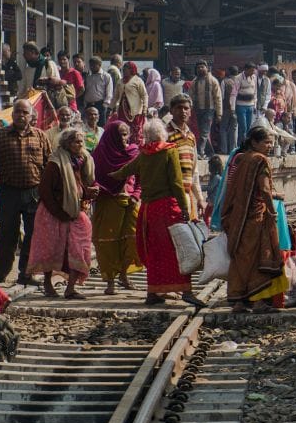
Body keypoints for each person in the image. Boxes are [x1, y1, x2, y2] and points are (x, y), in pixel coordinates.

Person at [110, 119, 206, 307]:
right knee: (178, 248)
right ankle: (186, 290)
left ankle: (153, 292)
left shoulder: (143, 154)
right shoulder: (170, 151)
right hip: (168, 209)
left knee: (153, 251)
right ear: (163, 134)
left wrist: (105, 174)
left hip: (148, 210)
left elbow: (123, 172)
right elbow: (177, 184)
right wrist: (185, 209)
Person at [220, 126, 287, 314]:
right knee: (259, 257)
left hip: (237, 218)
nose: (270, 146)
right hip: (256, 218)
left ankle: (239, 300)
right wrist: (272, 213)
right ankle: (258, 302)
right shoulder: (260, 160)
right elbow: (264, 189)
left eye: (271, 142)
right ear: (254, 142)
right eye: (266, 142)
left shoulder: (241, 158)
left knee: (240, 258)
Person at [29, 128, 96, 299]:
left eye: (81, 141)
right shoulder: (55, 163)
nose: (79, 144)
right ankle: (47, 284)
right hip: (53, 212)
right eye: (75, 141)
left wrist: (89, 193)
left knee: (79, 247)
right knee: (50, 248)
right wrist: (59, 212)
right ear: (66, 144)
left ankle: (71, 288)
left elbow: (78, 188)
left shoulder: (82, 160)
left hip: (74, 212)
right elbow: (45, 191)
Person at [0, 99, 50, 285]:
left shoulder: (41, 136)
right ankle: (1, 273)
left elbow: (49, 165)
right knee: (7, 234)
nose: (20, 115)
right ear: (13, 114)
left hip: (33, 193)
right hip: (8, 193)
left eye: (25, 112)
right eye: (17, 112)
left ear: (31, 115)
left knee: (33, 235)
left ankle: (26, 274)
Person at [91, 120, 141, 295]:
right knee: (108, 242)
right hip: (108, 201)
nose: (124, 138)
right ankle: (110, 281)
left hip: (131, 202)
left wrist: (136, 194)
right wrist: (100, 189)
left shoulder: (134, 152)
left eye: (126, 134)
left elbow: (140, 177)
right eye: (120, 134)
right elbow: (93, 178)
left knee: (134, 238)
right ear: (111, 135)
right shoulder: (100, 154)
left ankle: (124, 274)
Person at [165, 94, 204, 220]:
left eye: (186, 108)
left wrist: (200, 199)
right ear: (171, 110)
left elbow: (194, 171)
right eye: (179, 108)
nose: (183, 111)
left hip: (186, 196)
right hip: (169, 196)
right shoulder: (165, 134)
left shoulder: (191, 137)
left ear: (190, 112)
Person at [189, 62, 222, 158]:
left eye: (202, 67)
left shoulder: (213, 81)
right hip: (198, 109)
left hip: (209, 109)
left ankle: (200, 152)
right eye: (198, 67)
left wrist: (219, 114)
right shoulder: (194, 82)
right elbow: (190, 97)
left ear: (207, 68)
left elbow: (218, 98)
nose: (200, 69)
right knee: (203, 132)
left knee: (204, 132)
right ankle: (210, 153)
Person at [113, 62, 148, 144]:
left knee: (135, 132)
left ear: (132, 70)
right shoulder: (120, 82)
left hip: (135, 112)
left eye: (126, 68)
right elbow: (116, 96)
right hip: (122, 111)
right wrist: (111, 108)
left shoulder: (138, 81)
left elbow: (144, 95)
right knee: (122, 129)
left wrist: (145, 109)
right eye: (123, 68)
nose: (124, 70)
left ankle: (135, 149)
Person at [233, 63, 259, 140]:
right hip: (241, 106)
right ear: (246, 70)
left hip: (251, 106)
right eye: (251, 70)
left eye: (254, 70)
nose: (253, 72)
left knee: (248, 127)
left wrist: (255, 105)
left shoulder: (254, 77)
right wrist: (232, 108)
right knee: (243, 127)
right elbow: (234, 94)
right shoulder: (238, 78)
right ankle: (240, 146)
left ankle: (247, 145)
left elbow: (255, 92)